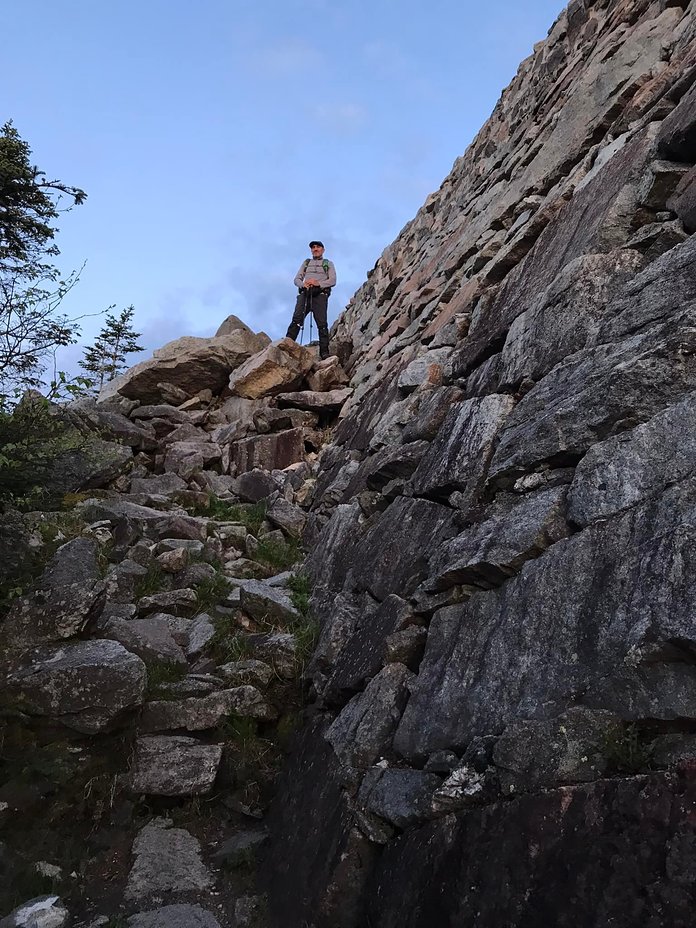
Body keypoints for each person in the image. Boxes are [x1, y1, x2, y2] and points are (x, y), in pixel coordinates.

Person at [286, 240, 336, 359]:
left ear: (323, 250)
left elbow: (333, 280)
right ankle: (286, 346)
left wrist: (318, 283)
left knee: (322, 323)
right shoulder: (306, 263)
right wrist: (303, 285)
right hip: (306, 293)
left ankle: (324, 353)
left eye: (318, 247)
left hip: (320, 294)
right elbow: (296, 279)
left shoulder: (328, 263)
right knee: (297, 319)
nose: (315, 249)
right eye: (313, 247)